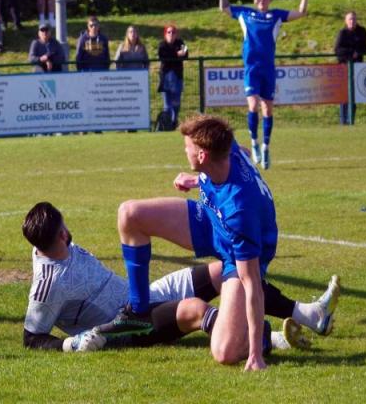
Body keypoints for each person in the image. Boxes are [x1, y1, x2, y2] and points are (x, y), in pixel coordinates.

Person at [22, 202, 340, 353]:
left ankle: (310, 314)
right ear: (61, 236)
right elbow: (31, 338)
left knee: (225, 270)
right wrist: (72, 344)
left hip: (140, 298)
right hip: (129, 325)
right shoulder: (47, 285)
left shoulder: (64, 246)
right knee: (193, 310)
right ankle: (271, 340)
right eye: (65, 227)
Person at [109, 115, 278, 370]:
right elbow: (240, 152)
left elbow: (252, 283)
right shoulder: (226, 146)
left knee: (224, 352)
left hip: (235, 251)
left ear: (202, 156)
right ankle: (138, 312)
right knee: (130, 214)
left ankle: (259, 335)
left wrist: (255, 354)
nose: (184, 150)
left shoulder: (239, 210)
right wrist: (196, 179)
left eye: (187, 147)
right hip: (211, 221)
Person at [220, 0, 308, 169]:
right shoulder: (245, 13)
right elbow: (224, 7)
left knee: (267, 109)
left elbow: (301, 13)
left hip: (268, 69)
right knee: (252, 106)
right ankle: (254, 142)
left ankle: (266, 147)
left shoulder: (275, 15)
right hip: (252, 68)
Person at [334, 11, 366, 125]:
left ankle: (351, 120)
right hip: (344, 68)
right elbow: (337, 50)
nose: (352, 21)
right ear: (346, 21)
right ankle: (343, 120)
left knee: (353, 96)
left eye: (354, 19)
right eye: (350, 19)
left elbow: (365, 47)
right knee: (344, 95)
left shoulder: (362, 32)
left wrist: (358, 52)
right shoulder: (342, 33)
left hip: (357, 68)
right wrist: (351, 53)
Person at [157, 25, 188, 125]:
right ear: (165, 34)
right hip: (165, 77)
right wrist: (176, 55)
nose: (171, 34)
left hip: (177, 76)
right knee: (167, 103)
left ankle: (174, 120)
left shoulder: (180, 43)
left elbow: (186, 54)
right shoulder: (162, 45)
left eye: (173, 32)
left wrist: (180, 54)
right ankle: (168, 123)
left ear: (176, 34)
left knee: (176, 102)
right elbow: (163, 56)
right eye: (169, 32)